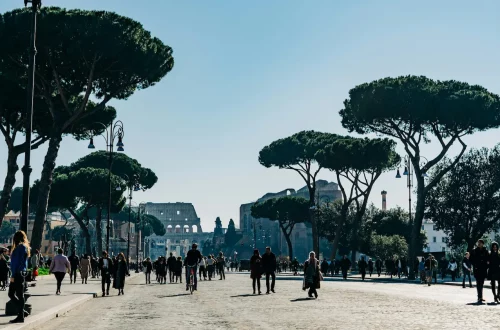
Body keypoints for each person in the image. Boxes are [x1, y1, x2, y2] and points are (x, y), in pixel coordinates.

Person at [8, 231, 30, 324]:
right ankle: (22, 313)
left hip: (17, 273)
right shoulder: (25, 248)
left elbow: (15, 263)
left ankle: (21, 314)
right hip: (22, 273)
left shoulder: (18, 248)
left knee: (12, 294)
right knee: (19, 294)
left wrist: (12, 275)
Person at [472, 239, 489, 303]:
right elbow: (471, 259)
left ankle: (480, 297)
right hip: (477, 269)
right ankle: (479, 297)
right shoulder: (475, 251)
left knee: (481, 283)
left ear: (482, 243)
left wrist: (486, 266)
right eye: (478, 243)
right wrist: (475, 264)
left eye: (480, 243)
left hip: (483, 269)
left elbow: (488, 259)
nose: (478, 244)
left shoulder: (485, 251)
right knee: (478, 283)